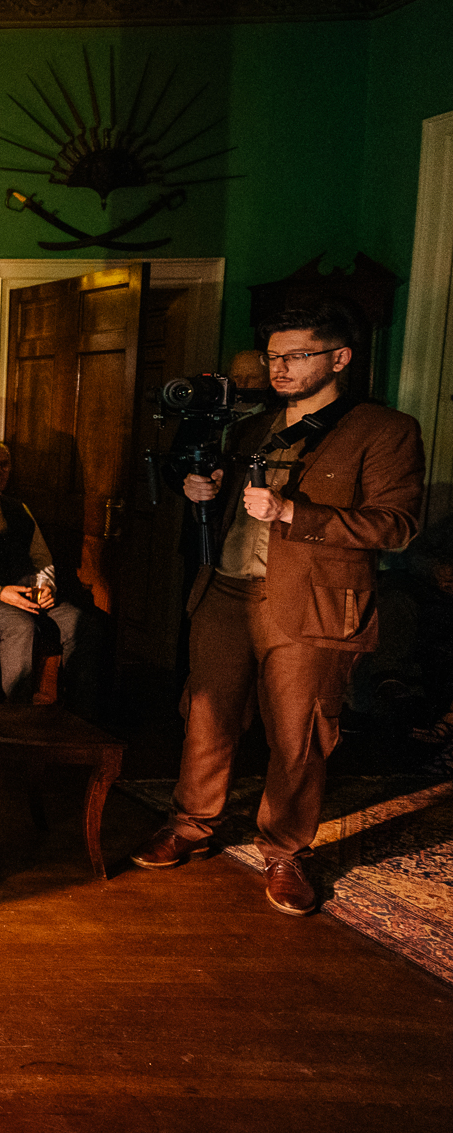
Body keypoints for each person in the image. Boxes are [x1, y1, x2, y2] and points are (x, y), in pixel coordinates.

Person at [132, 303, 423, 916]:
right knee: (206, 715)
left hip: (311, 603)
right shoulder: (249, 428)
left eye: (296, 356)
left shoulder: (385, 429)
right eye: (274, 357)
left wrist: (296, 514)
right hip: (226, 590)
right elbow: (233, 508)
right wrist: (202, 496)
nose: (280, 369)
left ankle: (285, 848)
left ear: (338, 358)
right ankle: (190, 823)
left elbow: (397, 526)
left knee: (300, 730)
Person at [0, 442, 94, 703]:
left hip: (26, 592)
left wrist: (45, 587)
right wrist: (0, 592)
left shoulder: (19, 509)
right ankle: (17, 714)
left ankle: (77, 714)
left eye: (4, 465)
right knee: (20, 625)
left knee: (80, 624)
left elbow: (42, 559)